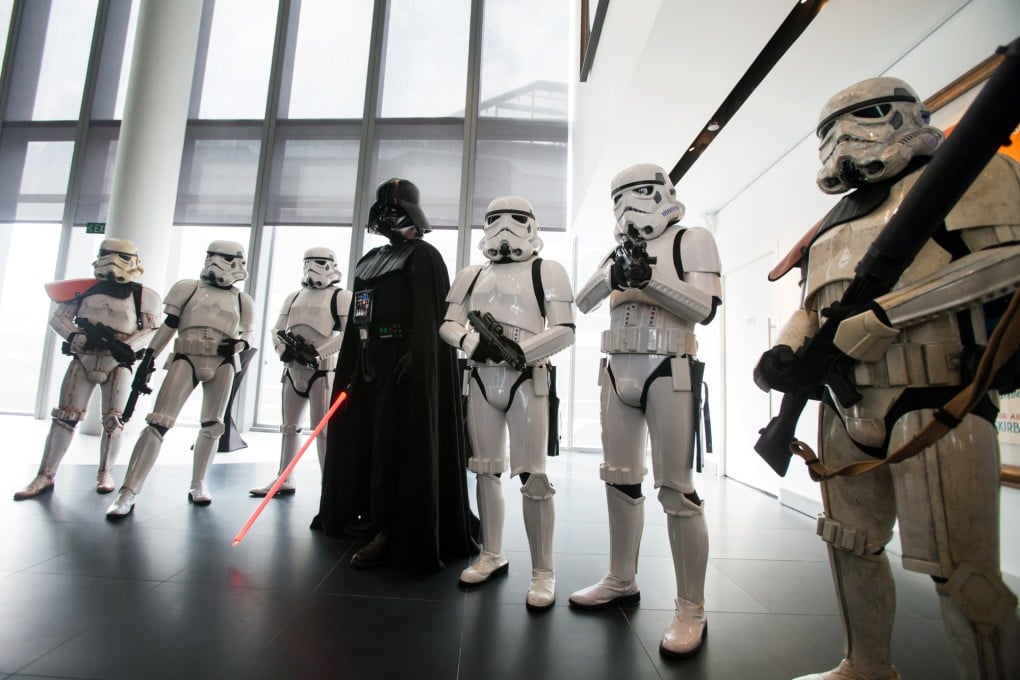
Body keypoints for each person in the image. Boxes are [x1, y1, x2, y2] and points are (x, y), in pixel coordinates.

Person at [755, 77, 1020, 680]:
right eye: (831, 132)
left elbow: (1007, 266)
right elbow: (813, 305)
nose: (846, 140)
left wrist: (884, 317)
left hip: (935, 398)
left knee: (963, 573)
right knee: (850, 545)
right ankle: (865, 664)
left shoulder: (978, 176)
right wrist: (785, 349)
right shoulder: (831, 223)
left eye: (865, 117)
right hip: (845, 407)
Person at [569, 163, 722, 658]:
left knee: (676, 488)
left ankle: (691, 607)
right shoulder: (618, 250)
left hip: (669, 367)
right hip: (618, 369)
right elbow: (584, 300)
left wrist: (650, 279)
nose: (630, 205)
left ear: (663, 192)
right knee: (618, 478)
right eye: (621, 198)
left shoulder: (690, 239)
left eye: (640, 193)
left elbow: (705, 307)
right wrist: (618, 270)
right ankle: (621, 577)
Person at [312, 178, 479, 572]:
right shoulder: (370, 260)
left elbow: (430, 316)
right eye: (384, 212)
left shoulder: (424, 257)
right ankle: (368, 513)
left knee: (394, 443)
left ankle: (392, 527)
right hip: (370, 359)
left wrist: (417, 359)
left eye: (396, 211)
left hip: (404, 363)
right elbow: (358, 317)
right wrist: (353, 362)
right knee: (365, 436)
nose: (389, 219)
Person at [439, 196, 575, 609]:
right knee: (484, 470)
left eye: (514, 220)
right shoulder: (471, 273)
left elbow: (565, 329)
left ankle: (543, 571)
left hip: (526, 379)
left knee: (533, 476)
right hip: (480, 377)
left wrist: (521, 352)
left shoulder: (547, 270)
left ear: (532, 226)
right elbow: (447, 323)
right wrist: (469, 341)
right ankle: (491, 553)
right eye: (494, 220)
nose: (504, 229)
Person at [106, 241, 255, 518]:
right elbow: (170, 324)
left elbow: (248, 333)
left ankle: (199, 482)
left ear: (237, 262)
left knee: (213, 426)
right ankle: (129, 490)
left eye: (221, 258)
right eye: (210, 256)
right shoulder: (188, 288)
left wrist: (238, 346)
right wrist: (150, 355)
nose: (214, 262)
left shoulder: (241, 300)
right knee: (158, 422)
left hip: (223, 362)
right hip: (185, 355)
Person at [14, 239, 161, 500]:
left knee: (113, 420)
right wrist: (75, 338)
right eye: (107, 255)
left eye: (121, 257)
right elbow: (59, 317)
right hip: (83, 357)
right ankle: (45, 475)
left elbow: (150, 328)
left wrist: (127, 346)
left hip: (118, 362)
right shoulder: (84, 289)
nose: (113, 262)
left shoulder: (144, 295)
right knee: (64, 417)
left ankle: (105, 472)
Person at [250, 248, 351, 497]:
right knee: (289, 427)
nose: (311, 268)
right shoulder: (294, 296)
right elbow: (277, 328)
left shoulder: (341, 296)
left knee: (322, 430)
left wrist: (317, 354)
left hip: (322, 371)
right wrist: (281, 348)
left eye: (318, 263)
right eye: (307, 262)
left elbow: (348, 336)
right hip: (292, 369)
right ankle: (284, 477)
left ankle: (328, 484)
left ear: (332, 265)